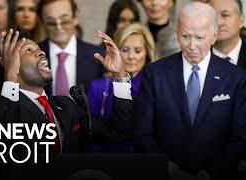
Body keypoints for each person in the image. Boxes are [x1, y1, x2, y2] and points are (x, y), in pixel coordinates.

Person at [116, 2, 246, 179]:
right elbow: (142, 133)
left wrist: (208, 175)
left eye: (199, 38)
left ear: (214, 36)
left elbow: (239, 138)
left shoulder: (235, 77)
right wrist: (171, 170)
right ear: (177, 32)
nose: (192, 45)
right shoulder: (155, 74)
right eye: (185, 36)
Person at [0, 28, 133, 154]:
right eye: (29, 50)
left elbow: (117, 133)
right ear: (8, 64)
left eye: (39, 49)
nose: (41, 53)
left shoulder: (66, 105)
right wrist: (10, 77)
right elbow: (3, 143)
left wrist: (119, 76)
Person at [87, 23, 155, 153]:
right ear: (115, 51)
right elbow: (92, 135)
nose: (131, 56)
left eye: (138, 51)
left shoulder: (155, 87)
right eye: (124, 50)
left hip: (144, 160)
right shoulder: (98, 87)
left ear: (147, 53)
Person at [37, 0, 104, 96]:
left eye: (64, 20)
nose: (59, 27)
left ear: (75, 17)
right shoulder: (33, 57)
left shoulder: (97, 57)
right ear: (42, 22)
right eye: (51, 22)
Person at [208, 0, 246, 70]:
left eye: (225, 15)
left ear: (241, 20)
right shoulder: (195, 57)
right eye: (213, 17)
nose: (219, 22)